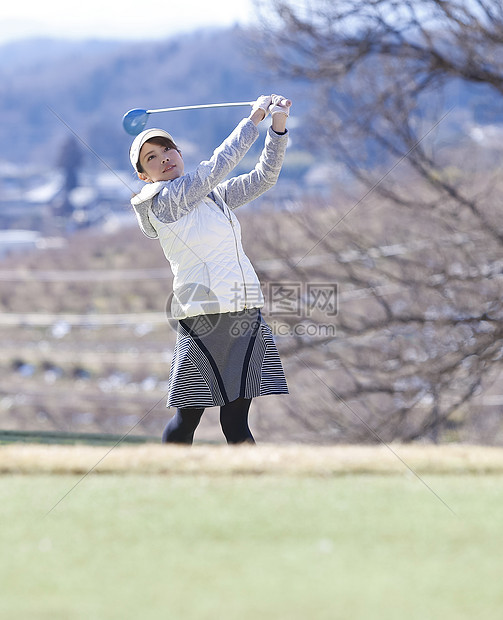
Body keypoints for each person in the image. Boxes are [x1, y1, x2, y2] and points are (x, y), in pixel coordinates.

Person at [129, 94, 291, 444]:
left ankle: (253, 487)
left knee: (236, 421)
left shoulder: (212, 196)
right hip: (204, 317)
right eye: (152, 158)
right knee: (188, 419)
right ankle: (169, 482)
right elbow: (218, 165)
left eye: (167, 150)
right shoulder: (165, 201)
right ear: (145, 176)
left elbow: (263, 179)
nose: (164, 159)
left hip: (244, 311)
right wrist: (253, 120)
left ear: (179, 154)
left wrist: (277, 128)